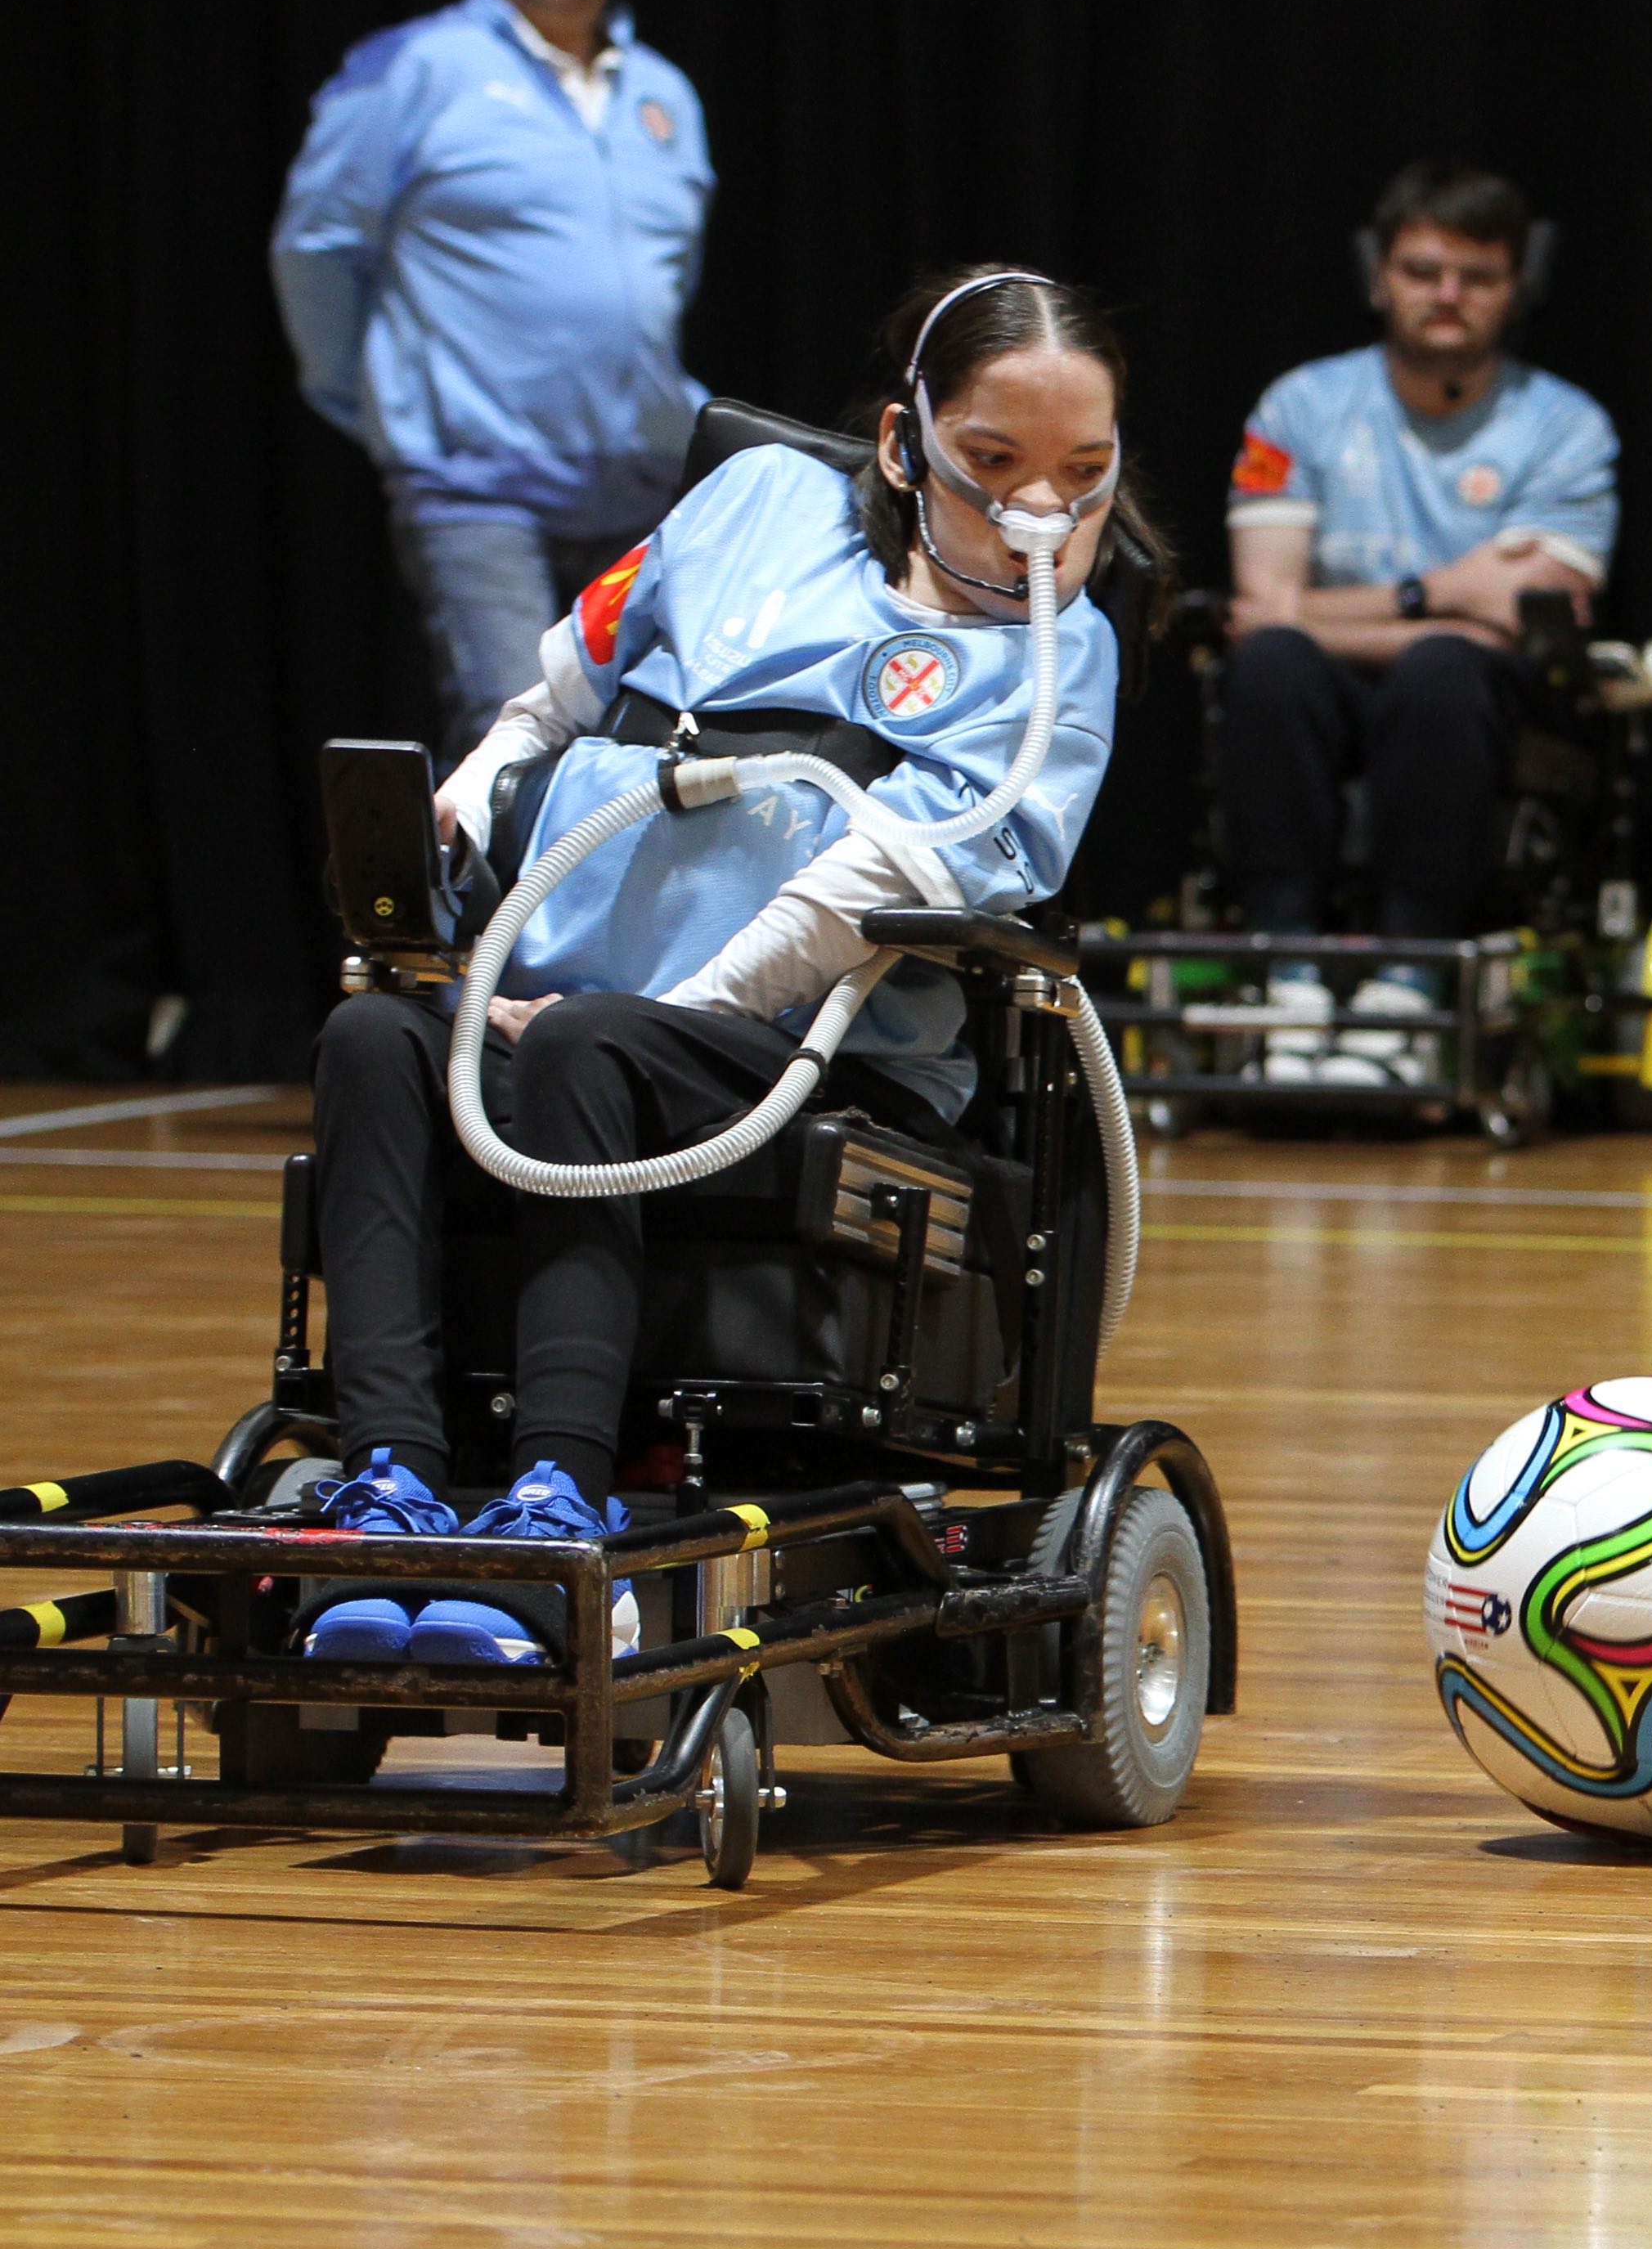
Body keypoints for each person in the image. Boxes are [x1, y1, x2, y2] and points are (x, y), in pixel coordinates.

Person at [298, 269, 1158, 1663]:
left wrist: (632, 1016)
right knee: (374, 1042)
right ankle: (385, 1482)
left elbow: (869, 889)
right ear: (904, 444)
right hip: (570, 1005)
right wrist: (452, 825)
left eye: (1083, 472)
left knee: (583, 1055)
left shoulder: (1062, 668)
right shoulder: (751, 505)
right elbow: (557, 699)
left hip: (813, 1056)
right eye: (992, 465)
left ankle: (557, 1500)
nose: (1037, 514)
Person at [272, 0, 713, 766]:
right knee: (519, 751)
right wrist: (380, 404)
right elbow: (316, 250)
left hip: (642, 478)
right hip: (478, 481)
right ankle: (501, 917)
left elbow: (663, 284)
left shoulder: (666, 95)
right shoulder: (416, 69)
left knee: (654, 749)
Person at [1218, 162, 1621, 1082]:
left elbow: (1525, 623)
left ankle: (1407, 982)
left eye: (1476, 277)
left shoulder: (1568, 428)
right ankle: (1289, 977)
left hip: (1473, 708)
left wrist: (1331, 616)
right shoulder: (1301, 406)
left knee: (1445, 672)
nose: (1448, 296)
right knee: (1271, 666)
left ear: (1517, 289)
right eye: (1424, 270)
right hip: (1326, 692)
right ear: (1379, 276)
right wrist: (1438, 594)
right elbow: (1261, 608)